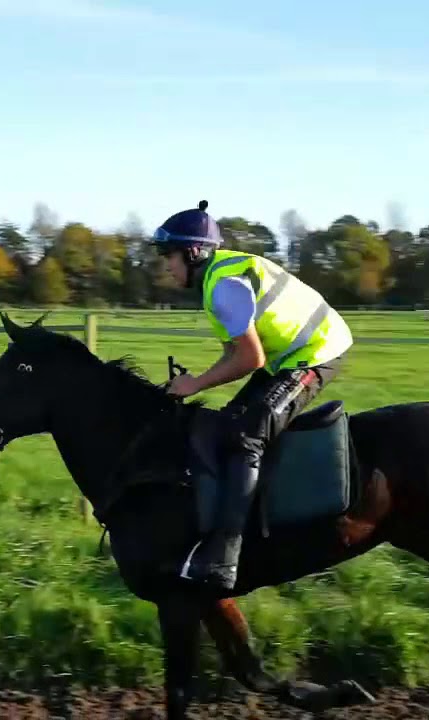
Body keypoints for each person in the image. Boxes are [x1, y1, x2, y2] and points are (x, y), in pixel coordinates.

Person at [152, 200, 354, 591]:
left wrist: (194, 385)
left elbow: (250, 357)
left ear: (194, 253)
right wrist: (196, 380)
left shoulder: (224, 287)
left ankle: (225, 557)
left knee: (247, 435)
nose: (167, 265)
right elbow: (236, 352)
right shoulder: (216, 278)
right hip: (284, 357)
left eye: (169, 256)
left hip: (318, 351)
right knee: (228, 423)